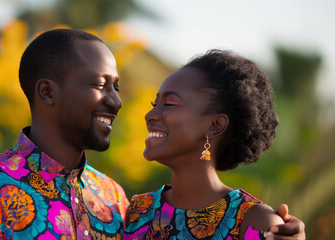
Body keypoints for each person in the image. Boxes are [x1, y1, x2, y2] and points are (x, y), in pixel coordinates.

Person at [0, 29, 305, 240]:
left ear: (216, 125)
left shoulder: (115, 202)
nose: (118, 102)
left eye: (118, 86)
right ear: (47, 92)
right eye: (101, 85)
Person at [123, 50, 305, 240]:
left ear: (214, 125)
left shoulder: (254, 222)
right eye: (155, 103)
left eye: (169, 103)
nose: (150, 115)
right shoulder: (138, 211)